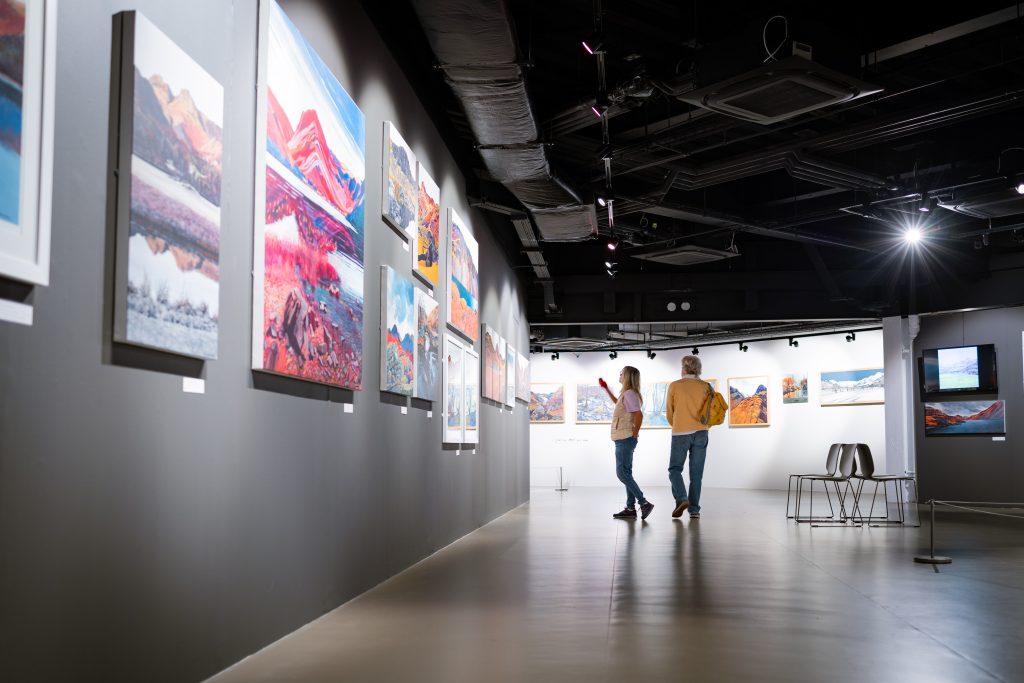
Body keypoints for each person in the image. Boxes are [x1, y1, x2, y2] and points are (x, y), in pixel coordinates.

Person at [599, 367, 653, 520]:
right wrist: (607, 389)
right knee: (627, 473)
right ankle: (630, 508)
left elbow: (638, 415)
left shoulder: (629, 393)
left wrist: (634, 435)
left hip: (625, 438)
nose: (620, 375)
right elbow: (619, 404)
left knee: (622, 473)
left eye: (621, 373)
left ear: (627, 376)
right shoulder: (627, 394)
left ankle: (644, 503)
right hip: (624, 438)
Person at [665, 355, 711, 519]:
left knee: (675, 469)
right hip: (702, 432)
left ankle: (682, 498)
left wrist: (677, 424)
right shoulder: (706, 386)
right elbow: (710, 411)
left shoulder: (675, 386)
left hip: (681, 432)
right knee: (696, 474)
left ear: (684, 368)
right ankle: (694, 510)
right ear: (698, 369)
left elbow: (670, 412)